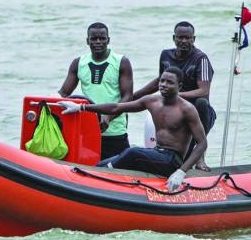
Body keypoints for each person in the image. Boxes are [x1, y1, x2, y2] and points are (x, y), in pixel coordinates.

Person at [58, 67, 209, 191]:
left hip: (172, 161)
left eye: (169, 82)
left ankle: (96, 180)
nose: (163, 84)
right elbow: (117, 107)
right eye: (162, 81)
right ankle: (91, 178)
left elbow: (202, 143)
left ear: (179, 86)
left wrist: (181, 171)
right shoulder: (152, 101)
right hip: (156, 153)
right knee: (101, 164)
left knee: (133, 152)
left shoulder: (187, 109)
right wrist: (81, 107)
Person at [57, 22, 134, 159]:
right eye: (94, 39)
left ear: (108, 40)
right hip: (87, 130)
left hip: (115, 131)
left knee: (119, 171)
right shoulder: (78, 63)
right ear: (87, 41)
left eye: (102, 38)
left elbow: (127, 97)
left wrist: (108, 118)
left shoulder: (121, 62)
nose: (98, 42)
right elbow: (63, 93)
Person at [132, 21, 216, 134]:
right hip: (176, 108)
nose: (184, 41)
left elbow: (204, 91)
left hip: (199, 112)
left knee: (201, 102)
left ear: (193, 39)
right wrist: (134, 96)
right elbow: (159, 81)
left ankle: (200, 143)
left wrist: (176, 95)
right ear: (174, 38)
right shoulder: (165, 55)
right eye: (180, 37)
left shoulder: (201, 58)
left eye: (188, 38)